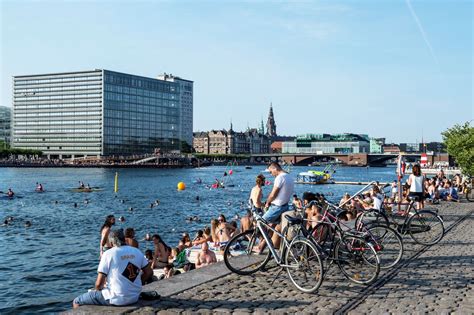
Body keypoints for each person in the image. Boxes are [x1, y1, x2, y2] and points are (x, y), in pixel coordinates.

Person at [73, 229, 152, 308]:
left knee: (77, 301)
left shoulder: (108, 254)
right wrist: (136, 284)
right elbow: (149, 272)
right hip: (134, 297)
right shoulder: (137, 251)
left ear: (111, 242)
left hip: (115, 298)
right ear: (124, 239)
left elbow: (98, 284)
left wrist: (99, 289)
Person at [260, 162, 294, 250]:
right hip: (285, 206)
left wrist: (267, 202)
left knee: (260, 223)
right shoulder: (289, 176)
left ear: (275, 168)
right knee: (274, 227)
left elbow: (273, 194)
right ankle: (262, 247)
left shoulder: (280, 177)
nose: (271, 174)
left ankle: (262, 243)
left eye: (271, 172)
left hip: (277, 207)